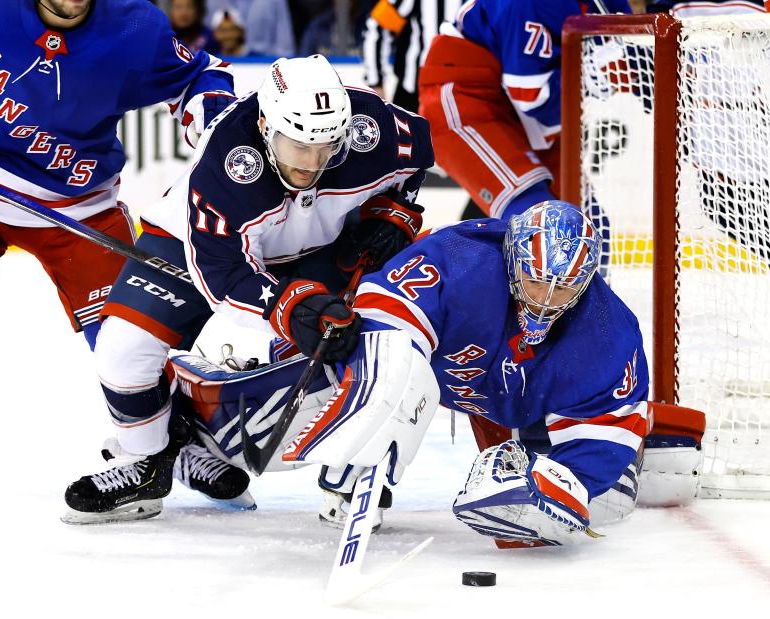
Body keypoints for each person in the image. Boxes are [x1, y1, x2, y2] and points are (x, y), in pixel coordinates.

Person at [0, 0, 236, 523]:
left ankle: (170, 443)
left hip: (78, 207)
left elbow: (201, 76)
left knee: (131, 340)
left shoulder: (135, 25)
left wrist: (210, 119)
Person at [167, 201, 705, 543]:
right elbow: (383, 309)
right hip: (439, 373)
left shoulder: (611, 333)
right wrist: (379, 407)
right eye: (535, 280)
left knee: (602, 504)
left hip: (522, 407)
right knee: (304, 403)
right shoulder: (462, 257)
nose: (547, 298)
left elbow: (602, 428)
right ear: (513, 257)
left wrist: (569, 488)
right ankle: (201, 425)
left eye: (564, 287)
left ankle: (651, 435)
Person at [61, 53, 435, 523]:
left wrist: (396, 212)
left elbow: (418, 156)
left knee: (359, 341)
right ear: (264, 124)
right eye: (298, 146)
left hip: (318, 246)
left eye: (326, 147)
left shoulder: (370, 130)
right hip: (200, 245)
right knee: (122, 349)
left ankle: (352, 469)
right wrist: (291, 308)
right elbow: (223, 273)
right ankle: (146, 461)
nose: (312, 162)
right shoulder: (226, 165)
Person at [418, 1, 632, 221]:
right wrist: (595, 77)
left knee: (592, 224)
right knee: (545, 222)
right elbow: (532, 99)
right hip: (468, 98)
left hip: (524, 115)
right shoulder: (525, 4)